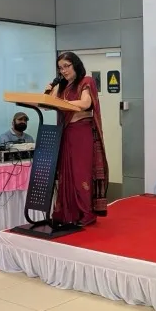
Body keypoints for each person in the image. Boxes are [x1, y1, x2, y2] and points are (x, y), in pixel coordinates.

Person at [46, 51, 109, 226]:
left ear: (76, 65)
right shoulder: (63, 86)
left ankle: (86, 213)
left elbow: (85, 103)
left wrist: (61, 103)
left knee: (80, 173)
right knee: (67, 173)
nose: (64, 71)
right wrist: (51, 88)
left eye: (67, 66)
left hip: (81, 133)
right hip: (65, 133)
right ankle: (67, 214)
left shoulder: (85, 81)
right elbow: (47, 105)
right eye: (60, 68)